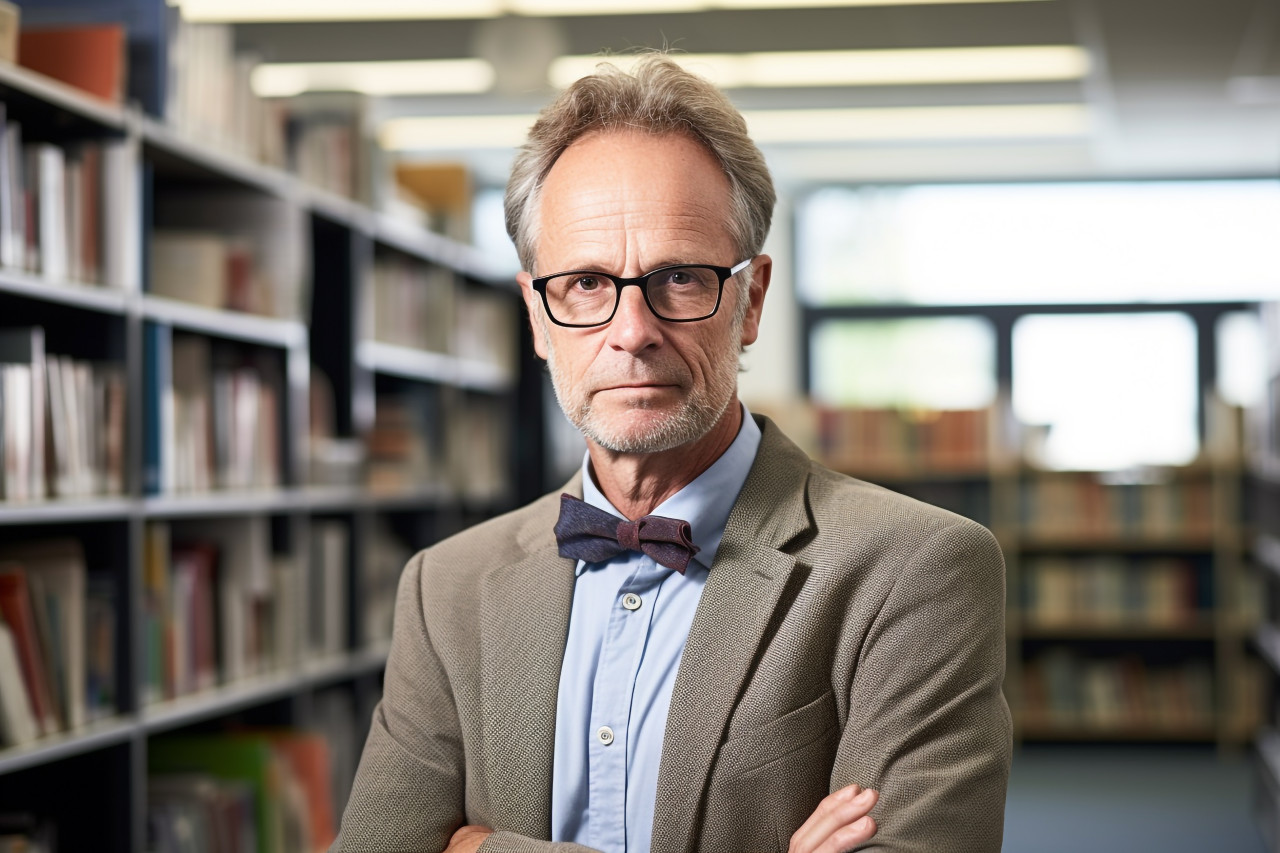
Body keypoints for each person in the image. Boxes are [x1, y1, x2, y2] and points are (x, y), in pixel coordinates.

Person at [333, 55, 1010, 853]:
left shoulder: (914, 569)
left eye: (680, 278)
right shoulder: (445, 587)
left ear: (750, 301)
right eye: (585, 283)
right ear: (537, 317)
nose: (632, 330)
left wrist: (481, 848)